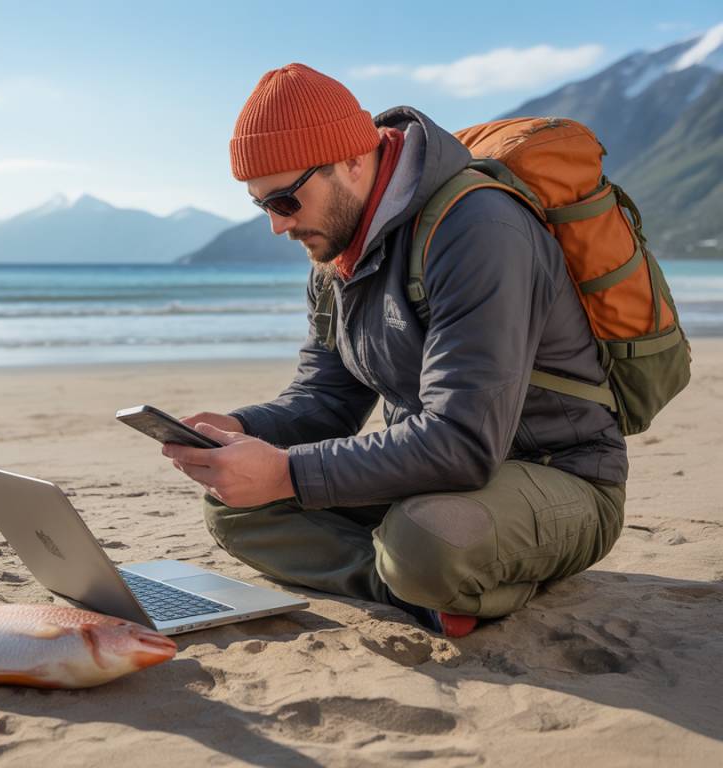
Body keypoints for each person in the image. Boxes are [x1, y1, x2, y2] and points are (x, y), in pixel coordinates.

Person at [161, 63, 627, 638]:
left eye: (286, 200)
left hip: (560, 477)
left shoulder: (479, 229)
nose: (278, 227)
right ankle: (425, 593)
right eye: (264, 206)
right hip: (427, 479)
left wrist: (286, 472)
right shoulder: (335, 253)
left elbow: (462, 444)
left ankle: (423, 573)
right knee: (234, 504)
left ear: (354, 160)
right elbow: (326, 398)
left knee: (424, 539)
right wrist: (240, 429)